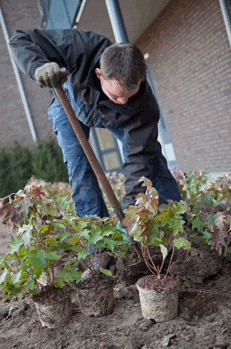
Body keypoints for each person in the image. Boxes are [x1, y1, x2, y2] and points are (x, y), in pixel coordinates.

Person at [9, 28, 186, 268]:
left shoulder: (143, 107)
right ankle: (99, 247)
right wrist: (38, 65)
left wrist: (131, 211)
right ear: (99, 73)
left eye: (128, 94)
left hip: (121, 118)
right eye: (117, 95)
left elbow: (138, 160)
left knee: (152, 160)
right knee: (79, 168)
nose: (123, 100)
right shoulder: (79, 47)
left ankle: (177, 228)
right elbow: (21, 38)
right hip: (71, 101)